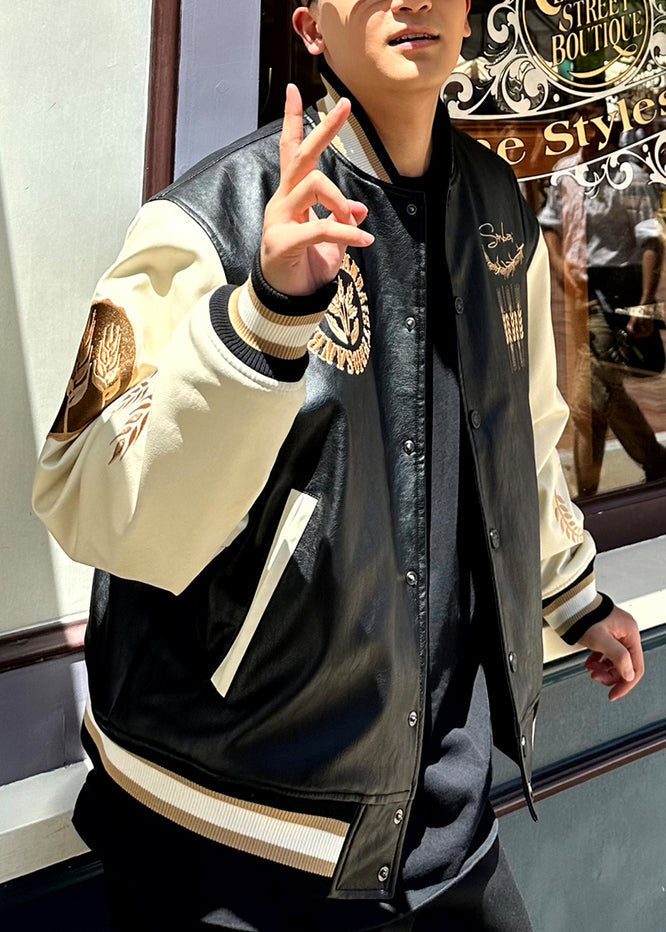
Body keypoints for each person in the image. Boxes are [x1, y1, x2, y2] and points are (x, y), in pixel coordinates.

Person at [33, 1, 645, 929]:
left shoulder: (498, 211)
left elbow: (522, 432)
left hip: (444, 816)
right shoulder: (210, 217)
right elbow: (90, 506)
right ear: (312, 27)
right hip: (227, 833)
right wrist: (265, 315)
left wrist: (574, 597)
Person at [539, 151, 666, 495]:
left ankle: (588, 495)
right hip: (585, 290)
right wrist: (561, 267)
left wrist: (645, 303)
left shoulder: (630, 175)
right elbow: (550, 224)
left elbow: (651, 238)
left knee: (591, 395)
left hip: (623, 284)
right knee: (598, 391)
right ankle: (654, 463)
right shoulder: (566, 171)